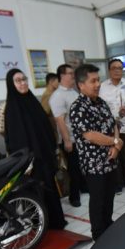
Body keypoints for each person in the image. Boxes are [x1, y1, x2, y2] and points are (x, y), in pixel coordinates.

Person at [3, 68, 67, 229]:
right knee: (36, 191)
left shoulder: (33, 102)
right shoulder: (11, 109)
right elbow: (14, 140)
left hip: (44, 156)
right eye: (18, 81)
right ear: (11, 84)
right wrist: (25, 161)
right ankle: (41, 225)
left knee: (50, 188)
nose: (23, 83)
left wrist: (53, 148)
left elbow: (45, 128)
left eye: (24, 79)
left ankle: (56, 221)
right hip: (30, 162)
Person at [69, 64, 121, 241]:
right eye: (93, 81)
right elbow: (90, 135)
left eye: (98, 80)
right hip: (94, 165)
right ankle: (98, 234)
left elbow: (113, 124)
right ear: (81, 85)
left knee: (109, 196)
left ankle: (108, 224)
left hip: (110, 160)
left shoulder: (101, 102)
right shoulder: (78, 107)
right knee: (98, 199)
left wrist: (115, 146)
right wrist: (115, 142)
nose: (98, 84)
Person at [99, 58, 125, 191]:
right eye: (114, 68)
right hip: (109, 129)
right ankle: (117, 184)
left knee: (124, 156)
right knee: (113, 155)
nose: (117, 70)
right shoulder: (102, 87)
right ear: (109, 70)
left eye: (120, 68)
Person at [50, 64, 85, 207]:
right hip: (70, 139)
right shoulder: (58, 96)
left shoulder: (73, 92)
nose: (73, 76)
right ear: (62, 76)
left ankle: (83, 187)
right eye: (70, 73)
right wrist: (67, 140)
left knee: (81, 166)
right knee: (73, 169)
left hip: (80, 137)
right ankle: (74, 197)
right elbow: (60, 121)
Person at [40, 72, 60, 142]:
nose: (59, 84)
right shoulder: (48, 95)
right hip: (53, 127)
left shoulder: (54, 93)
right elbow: (45, 112)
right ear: (51, 82)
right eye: (58, 81)